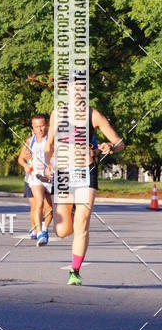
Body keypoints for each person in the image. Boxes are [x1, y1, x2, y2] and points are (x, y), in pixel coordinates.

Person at [45, 99, 124, 286]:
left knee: (83, 222)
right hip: (63, 172)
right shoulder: (57, 114)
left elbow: (120, 143)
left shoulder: (93, 115)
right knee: (62, 231)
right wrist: (50, 163)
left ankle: (75, 271)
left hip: (86, 171)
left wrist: (109, 147)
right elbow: (49, 144)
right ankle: (70, 213)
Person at [19, 114, 53, 247]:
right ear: (32, 128)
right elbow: (20, 159)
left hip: (50, 178)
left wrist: (52, 166)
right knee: (38, 203)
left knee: (50, 208)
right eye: (37, 126)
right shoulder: (30, 141)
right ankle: (39, 233)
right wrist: (26, 165)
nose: (40, 129)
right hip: (35, 177)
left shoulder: (52, 140)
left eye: (42, 125)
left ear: (47, 125)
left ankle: (44, 229)